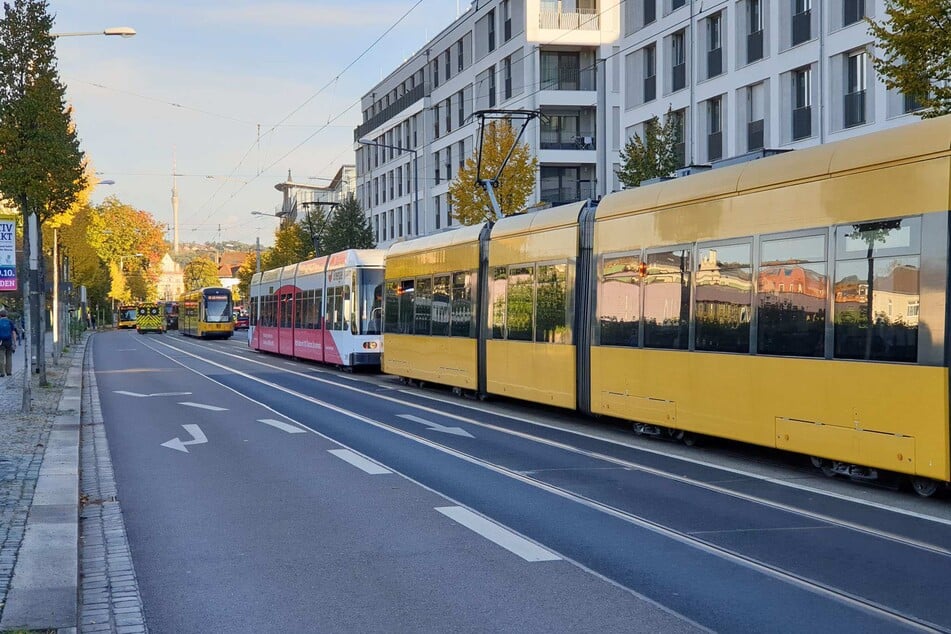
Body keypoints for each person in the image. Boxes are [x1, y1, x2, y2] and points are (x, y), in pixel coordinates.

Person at [0, 308, 17, 378]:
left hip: (1, 342)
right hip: (9, 341)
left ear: (0, 315)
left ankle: (2, 373)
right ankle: (9, 372)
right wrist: (15, 342)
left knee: (1, 358)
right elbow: (13, 332)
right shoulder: (10, 322)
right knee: (9, 357)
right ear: (7, 315)